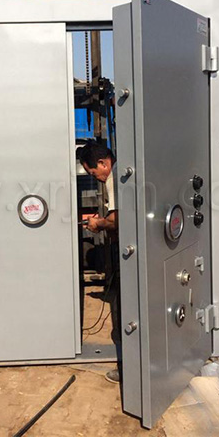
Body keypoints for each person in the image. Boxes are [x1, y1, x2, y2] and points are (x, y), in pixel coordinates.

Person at [77, 141, 120, 384]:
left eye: (94, 173)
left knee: (124, 309)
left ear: (103, 163)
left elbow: (117, 221)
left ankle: (128, 366)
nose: (96, 178)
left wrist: (99, 223)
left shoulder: (114, 178)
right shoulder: (126, 169)